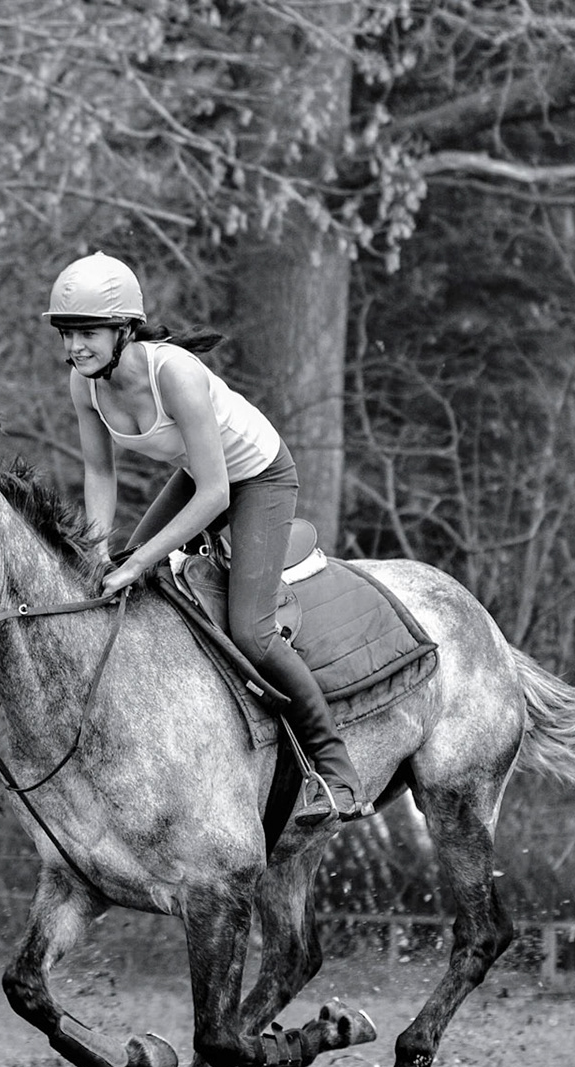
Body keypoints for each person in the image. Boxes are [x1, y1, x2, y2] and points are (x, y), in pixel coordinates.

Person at [44, 250, 370, 823]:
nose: (75, 347)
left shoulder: (176, 373)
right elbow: (100, 473)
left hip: (257, 479)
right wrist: (100, 553)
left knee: (251, 630)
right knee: (119, 577)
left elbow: (218, 494)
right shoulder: (84, 384)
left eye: (87, 333)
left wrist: (140, 559)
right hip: (200, 478)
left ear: (124, 330)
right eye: (68, 333)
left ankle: (335, 770)